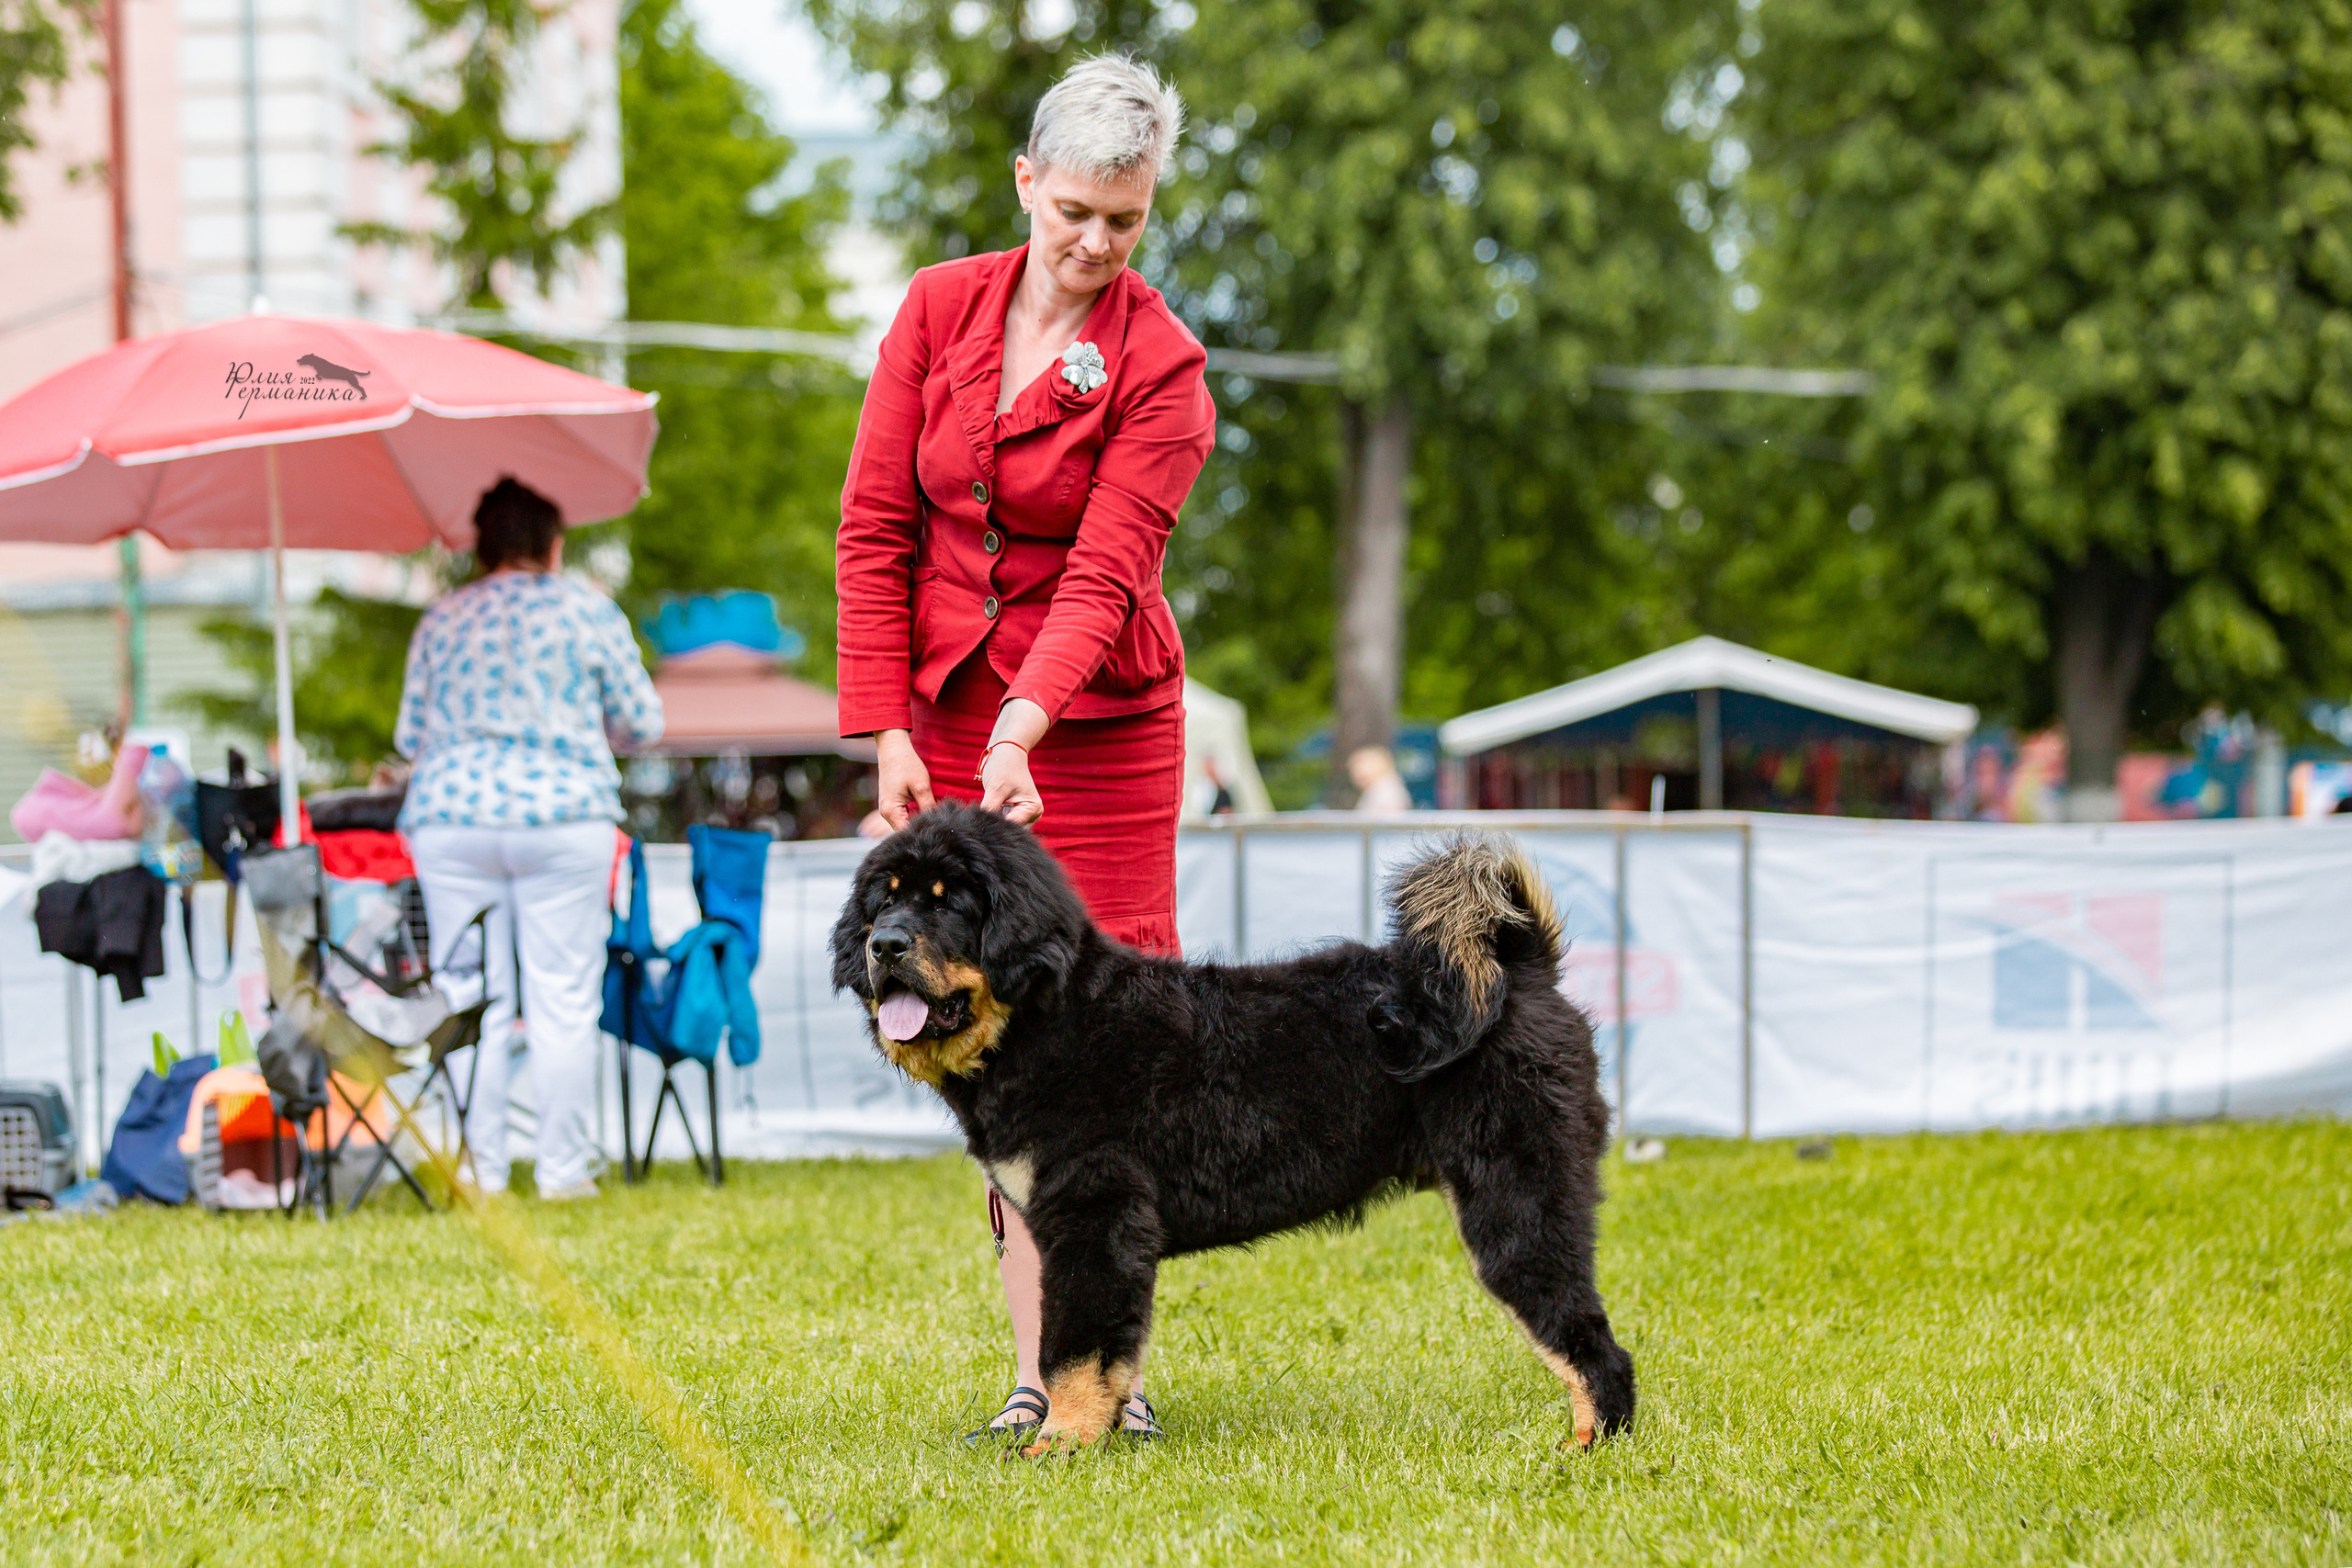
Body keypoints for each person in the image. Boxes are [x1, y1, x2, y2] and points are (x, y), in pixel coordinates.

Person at [833, 54, 1214, 1439]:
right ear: (1025, 184)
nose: (1097, 243)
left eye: (1126, 218)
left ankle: (1112, 1375)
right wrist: (889, 724)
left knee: (1105, 1048)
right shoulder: (937, 308)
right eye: (1073, 213)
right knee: (993, 1047)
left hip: (1097, 727)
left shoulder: (1165, 366)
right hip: (944, 713)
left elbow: (1107, 573)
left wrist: (1026, 720)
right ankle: (1036, 1374)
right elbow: (876, 527)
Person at [396, 477, 663, 1201]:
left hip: (454, 816)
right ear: (553, 544)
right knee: (563, 999)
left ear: (480, 547)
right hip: (562, 816)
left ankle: (478, 1170)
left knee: (466, 996)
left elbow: (410, 735)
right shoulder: (588, 610)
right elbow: (642, 723)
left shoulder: (442, 617)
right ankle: (562, 1171)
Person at [1349, 745, 1415, 812]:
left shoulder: (1387, 788)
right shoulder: (1376, 788)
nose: (1356, 774)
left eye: (1359, 768)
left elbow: (1392, 815)